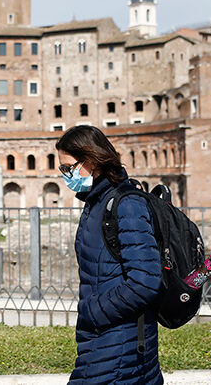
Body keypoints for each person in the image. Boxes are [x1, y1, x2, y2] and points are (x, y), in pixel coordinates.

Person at [56, 125, 163, 384]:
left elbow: (145, 281)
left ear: (92, 160)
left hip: (121, 340)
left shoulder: (127, 204)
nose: (65, 175)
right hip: (106, 339)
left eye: (68, 168)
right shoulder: (96, 202)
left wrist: (94, 311)